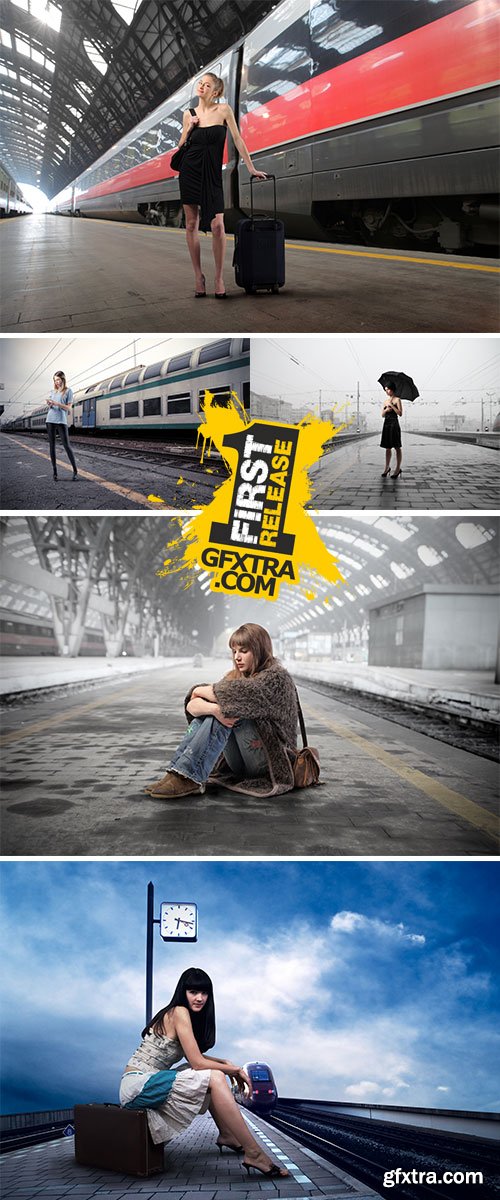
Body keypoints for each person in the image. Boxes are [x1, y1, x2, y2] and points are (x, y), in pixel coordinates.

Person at [119, 967, 289, 1177]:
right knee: (213, 1076)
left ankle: (227, 1135)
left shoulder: (181, 1014)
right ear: (183, 992)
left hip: (147, 1082)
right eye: (193, 992)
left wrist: (224, 1062)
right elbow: (198, 1063)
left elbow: (195, 1056)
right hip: (137, 1086)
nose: (199, 998)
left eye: (204, 993)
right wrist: (232, 1069)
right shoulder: (178, 1011)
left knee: (210, 1075)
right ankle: (254, 1152)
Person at [145, 623, 298, 800]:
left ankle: (189, 776)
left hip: (270, 763)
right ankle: (177, 772)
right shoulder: (234, 677)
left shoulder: (276, 678)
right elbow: (192, 706)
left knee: (229, 711)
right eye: (234, 652)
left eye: (244, 651)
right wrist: (213, 708)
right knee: (217, 711)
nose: (237, 657)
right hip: (239, 763)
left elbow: (207, 694)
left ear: (260, 650)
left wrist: (205, 696)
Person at [176, 72, 267, 298]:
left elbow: (237, 139)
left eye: (207, 85)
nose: (202, 87)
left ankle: (218, 277)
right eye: (200, 83)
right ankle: (198, 276)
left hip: (212, 174)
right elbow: (180, 148)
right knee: (191, 225)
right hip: (190, 172)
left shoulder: (224, 111)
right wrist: (189, 129)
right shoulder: (188, 114)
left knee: (218, 225)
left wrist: (251, 167)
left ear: (215, 91)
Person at [46, 370, 78, 481]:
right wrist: (50, 404)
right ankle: (54, 472)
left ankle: (75, 470)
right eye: (55, 380)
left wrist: (57, 404)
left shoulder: (68, 391)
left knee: (66, 446)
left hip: (61, 420)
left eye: (58, 379)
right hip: (50, 419)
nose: (57, 382)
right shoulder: (52, 392)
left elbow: (69, 408)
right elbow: (52, 406)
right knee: (52, 446)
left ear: (63, 379)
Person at [380, 385, 403, 478]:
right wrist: (386, 410)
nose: (386, 391)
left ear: (392, 389)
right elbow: (382, 415)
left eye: (388, 389)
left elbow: (400, 413)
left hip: (394, 424)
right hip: (386, 424)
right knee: (387, 447)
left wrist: (392, 407)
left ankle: (397, 468)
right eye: (385, 390)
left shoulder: (398, 400)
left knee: (397, 446)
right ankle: (387, 467)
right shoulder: (385, 401)